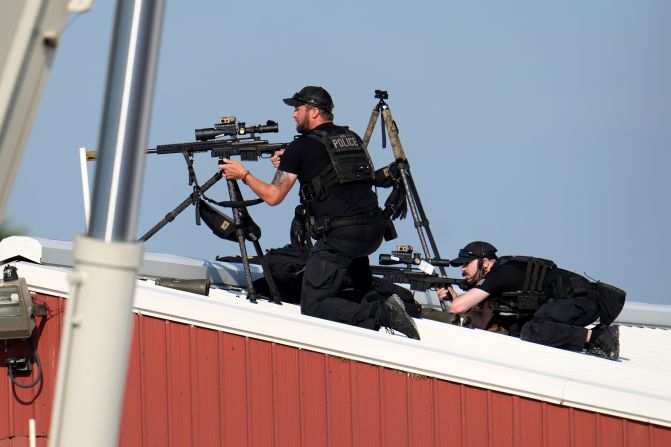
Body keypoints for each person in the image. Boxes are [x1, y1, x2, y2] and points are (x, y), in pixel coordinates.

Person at [219, 86, 419, 340]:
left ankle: (382, 314)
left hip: (340, 235)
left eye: (297, 108)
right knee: (358, 289)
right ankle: (382, 305)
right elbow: (334, 171)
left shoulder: (300, 147)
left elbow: (273, 196)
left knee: (314, 304)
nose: (293, 114)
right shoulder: (351, 137)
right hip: (371, 230)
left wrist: (243, 175)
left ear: (313, 112)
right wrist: (293, 162)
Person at [437, 241, 624, 360]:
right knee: (515, 328)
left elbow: (456, 307)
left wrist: (455, 298)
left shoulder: (499, 274)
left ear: (484, 262)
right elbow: (483, 322)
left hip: (583, 300)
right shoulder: (497, 281)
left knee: (533, 330)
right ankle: (594, 336)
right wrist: (460, 303)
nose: (462, 269)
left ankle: (599, 338)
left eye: (466, 264)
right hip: (569, 304)